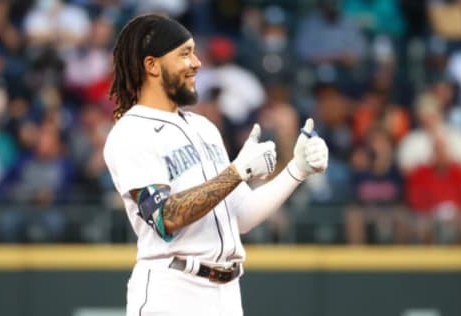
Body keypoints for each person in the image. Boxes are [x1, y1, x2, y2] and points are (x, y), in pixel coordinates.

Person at [103, 13, 328, 316]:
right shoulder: (131, 132)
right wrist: (237, 172)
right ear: (151, 65)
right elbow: (165, 217)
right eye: (184, 53)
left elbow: (242, 217)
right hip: (173, 290)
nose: (196, 63)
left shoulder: (204, 127)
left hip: (226, 291)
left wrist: (296, 170)